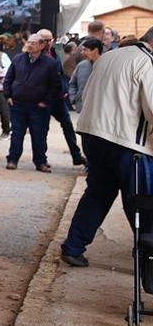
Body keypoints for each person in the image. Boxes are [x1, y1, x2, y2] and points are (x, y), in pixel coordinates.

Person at [60, 28, 153, 275]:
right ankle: (148, 261)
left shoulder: (111, 56)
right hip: (126, 142)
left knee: (97, 195)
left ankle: (73, 247)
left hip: (94, 136)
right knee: (141, 202)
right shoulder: (147, 62)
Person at [3, 33, 64, 172]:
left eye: (33, 43)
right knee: (17, 133)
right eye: (28, 43)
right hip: (17, 104)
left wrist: (46, 102)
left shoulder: (50, 63)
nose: (29, 45)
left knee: (39, 135)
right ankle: (13, 159)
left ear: (42, 45)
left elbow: (55, 85)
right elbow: (8, 79)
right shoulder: (18, 59)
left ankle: (40, 162)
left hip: (38, 106)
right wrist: (8, 96)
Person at [36, 29, 87, 167]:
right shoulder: (34, 56)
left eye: (50, 39)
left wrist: (65, 90)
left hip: (58, 98)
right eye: (44, 40)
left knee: (68, 126)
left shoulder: (54, 53)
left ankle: (76, 156)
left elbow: (61, 75)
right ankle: (41, 160)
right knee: (42, 130)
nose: (48, 43)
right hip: (43, 99)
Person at [70, 37, 105, 112]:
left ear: (95, 50)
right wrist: (74, 98)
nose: (82, 53)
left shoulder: (108, 66)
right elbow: (72, 84)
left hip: (102, 110)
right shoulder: (81, 66)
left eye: (85, 50)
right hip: (83, 109)